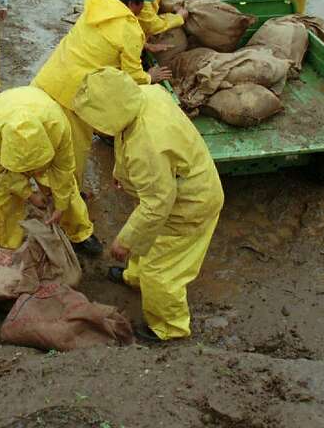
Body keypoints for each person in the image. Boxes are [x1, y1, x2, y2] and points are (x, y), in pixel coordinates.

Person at [74, 67, 224, 343]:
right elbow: (126, 141)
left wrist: (125, 241)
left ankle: (169, 327)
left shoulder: (149, 143)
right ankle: (135, 277)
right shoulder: (144, 95)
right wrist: (125, 175)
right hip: (177, 187)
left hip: (188, 205)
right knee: (150, 240)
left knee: (161, 269)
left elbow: (157, 204)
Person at [33, 0, 170, 189]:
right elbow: (133, 76)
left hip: (51, 77)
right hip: (75, 94)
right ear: (132, 3)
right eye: (141, 3)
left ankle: (43, 176)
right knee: (74, 147)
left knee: (43, 130)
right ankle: (69, 194)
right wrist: (150, 76)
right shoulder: (129, 29)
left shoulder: (97, 7)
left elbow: (103, 40)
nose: (143, 7)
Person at [0, 86, 103, 256]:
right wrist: (30, 195)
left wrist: (60, 206)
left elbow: (64, 170)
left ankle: (79, 233)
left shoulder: (58, 127)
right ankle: (5, 248)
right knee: (0, 201)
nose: (30, 173)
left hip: (41, 111)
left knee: (64, 187)